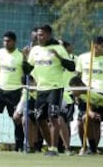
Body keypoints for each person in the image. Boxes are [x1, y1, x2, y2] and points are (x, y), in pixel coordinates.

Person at [24, 25, 75, 156]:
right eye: (37, 35)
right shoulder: (34, 50)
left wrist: (59, 57)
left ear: (48, 35)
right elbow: (27, 70)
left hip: (55, 88)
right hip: (40, 89)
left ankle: (54, 148)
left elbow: (71, 67)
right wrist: (25, 57)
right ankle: (50, 146)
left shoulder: (58, 48)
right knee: (40, 119)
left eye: (41, 35)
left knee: (53, 117)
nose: (38, 37)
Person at [0, 31, 27, 152]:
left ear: (14, 42)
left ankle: (19, 146)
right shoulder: (0, 52)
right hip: (0, 91)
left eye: (8, 41)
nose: (6, 43)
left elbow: (26, 73)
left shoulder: (21, 55)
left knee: (16, 118)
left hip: (15, 92)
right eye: (4, 40)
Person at [69, 77, 103, 155]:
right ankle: (93, 150)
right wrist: (90, 112)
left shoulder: (97, 90)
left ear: (80, 85)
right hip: (102, 104)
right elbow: (90, 101)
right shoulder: (80, 94)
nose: (73, 92)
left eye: (74, 89)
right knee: (86, 118)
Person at [75, 36, 103, 151]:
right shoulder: (82, 58)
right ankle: (83, 146)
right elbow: (77, 77)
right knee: (80, 122)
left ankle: (93, 148)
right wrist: (75, 94)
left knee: (96, 122)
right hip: (83, 95)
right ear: (95, 46)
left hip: (98, 96)